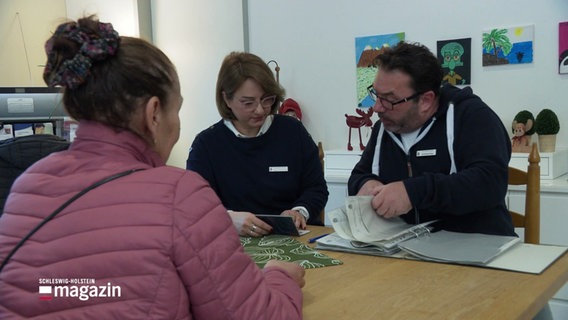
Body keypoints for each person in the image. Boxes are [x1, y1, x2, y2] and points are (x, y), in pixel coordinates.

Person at [0, 17, 305, 319]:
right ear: (154, 113)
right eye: (177, 109)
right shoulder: (180, 194)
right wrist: (279, 277)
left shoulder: (25, 187)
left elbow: (61, 291)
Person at [348, 41, 515, 236]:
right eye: (376, 94)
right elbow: (359, 175)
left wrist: (413, 192)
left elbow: (489, 183)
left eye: (389, 99)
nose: (377, 107)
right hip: (404, 250)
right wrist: (365, 184)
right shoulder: (385, 127)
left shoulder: (471, 117)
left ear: (426, 100)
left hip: (475, 246)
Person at [186, 52, 328, 236]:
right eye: (248, 102)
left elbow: (316, 187)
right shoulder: (206, 145)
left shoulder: (292, 131)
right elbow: (196, 205)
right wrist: (227, 219)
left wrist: (300, 211)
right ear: (226, 99)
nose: (260, 109)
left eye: (266, 99)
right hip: (235, 245)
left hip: (297, 239)